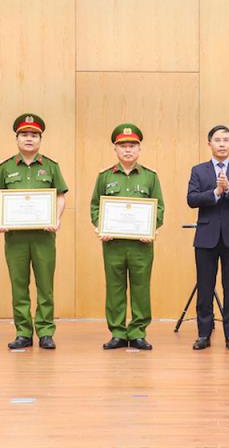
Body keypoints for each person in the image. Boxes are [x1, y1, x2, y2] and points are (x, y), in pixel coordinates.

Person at [0, 114, 67, 350]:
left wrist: (56, 218)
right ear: (17, 138)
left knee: (45, 286)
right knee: (19, 286)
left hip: (44, 236)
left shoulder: (51, 166)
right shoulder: (5, 167)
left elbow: (60, 196)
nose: (29, 138)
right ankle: (23, 332)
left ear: (40, 139)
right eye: (24, 134)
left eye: (34, 135)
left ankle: (45, 332)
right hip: (15, 238)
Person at [90, 124, 164, 350]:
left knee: (141, 288)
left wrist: (151, 229)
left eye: (132, 146)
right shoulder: (104, 177)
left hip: (141, 245)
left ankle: (138, 332)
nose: (128, 150)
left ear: (139, 149)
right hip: (113, 244)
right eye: (123, 146)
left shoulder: (150, 177)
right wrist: (101, 227)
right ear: (115, 149)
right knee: (115, 288)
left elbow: (159, 208)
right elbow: (95, 206)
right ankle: (118, 332)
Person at [185, 125, 229, 351]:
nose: (222, 144)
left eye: (226, 140)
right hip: (206, 237)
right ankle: (203, 334)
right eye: (217, 140)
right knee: (205, 288)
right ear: (209, 144)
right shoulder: (199, 170)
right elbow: (191, 199)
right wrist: (215, 193)